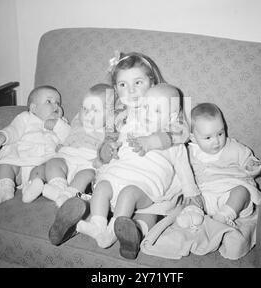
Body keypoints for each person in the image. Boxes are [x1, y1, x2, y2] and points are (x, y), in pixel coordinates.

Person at [48, 52, 194, 258]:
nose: (131, 90)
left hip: (149, 182)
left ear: (152, 82)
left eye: (138, 82)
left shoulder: (166, 108)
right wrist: (105, 151)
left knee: (139, 206)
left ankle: (117, 233)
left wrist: (151, 141)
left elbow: (182, 133)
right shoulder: (118, 117)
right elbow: (105, 147)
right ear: (116, 89)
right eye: (123, 85)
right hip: (119, 172)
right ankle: (96, 226)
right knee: (103, 189)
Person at [76, 84, 203, 257]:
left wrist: (192, 194)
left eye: (157, 111)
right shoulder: (130, 127)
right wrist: (111, 148)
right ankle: (97, 226)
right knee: (102, 186)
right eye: (145, 107)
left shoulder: (174, 141)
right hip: (117, 176)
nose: (149, 113)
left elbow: (184, 169)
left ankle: (111, 233)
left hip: (144, 186)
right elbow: (114, 144)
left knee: (128, 194)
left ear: (172, 116)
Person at [182, 102, 261, 227]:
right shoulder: (188, 153)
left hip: (231, 194)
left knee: (242, 191)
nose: (216, 141)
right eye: (208, 138)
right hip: (206, 195)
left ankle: (223, 216)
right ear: (193, 138)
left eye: (220, 133)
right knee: (191, 198)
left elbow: (247, 158)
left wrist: (251, 165)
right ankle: (192, 214)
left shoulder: (233, 147)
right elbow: (182, 173)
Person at [0, 85, 71, 204]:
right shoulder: (25, 118)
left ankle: (31, 189)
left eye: (58, 102)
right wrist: (3, 136)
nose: (56, 105)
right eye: (49, 101)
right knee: (5, 164)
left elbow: (70, 137)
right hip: (20, 162)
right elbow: (14, 129)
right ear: (33, 108)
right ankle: (4, 188)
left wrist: (57, 126)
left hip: (41, 162)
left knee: (44, 170)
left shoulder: (61, 122)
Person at [41, 83, 114, 207]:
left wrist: (102, 159)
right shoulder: (77, 121)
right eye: (84, 108)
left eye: (95, 110)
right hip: (68, 155)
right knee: (53, 163)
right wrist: (63, 145)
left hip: (88, 161)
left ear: (110, 115)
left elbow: (111, 148)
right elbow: (68, 132)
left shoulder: (109, 129)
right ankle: (57, 187)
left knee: (87, 175)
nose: (87, 114)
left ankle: (69, 195)